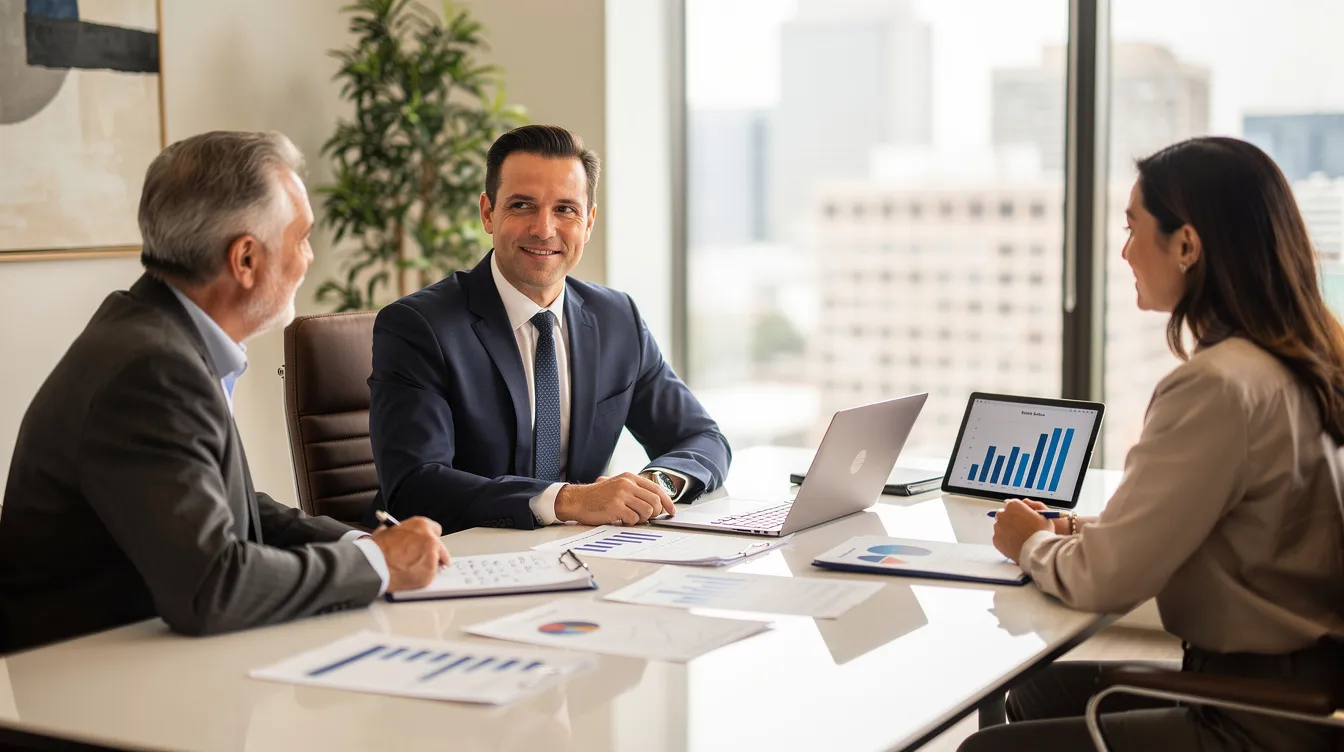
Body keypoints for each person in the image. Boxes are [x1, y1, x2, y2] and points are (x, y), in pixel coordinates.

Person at [960, 136, 1344, 751]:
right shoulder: (1309, 359)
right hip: (1302, 686)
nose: (1125, 249)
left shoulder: (1216, 386)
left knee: (988, 749)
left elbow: (1103, 583)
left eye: (1134, 227)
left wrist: (1027, 541)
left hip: (1253, 715)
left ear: (1187, 245)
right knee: (1036, 692)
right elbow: (1243, 523)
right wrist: (1088, 531)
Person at [0, 131, 450, 655]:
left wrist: (361, 545)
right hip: (92, 694)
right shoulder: (152, 369)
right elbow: (212, 587)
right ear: (245, 260)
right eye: (301, 238)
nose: (307, 258)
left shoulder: (153, 329)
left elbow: (228, 503)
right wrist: (378, 566)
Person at [369, 124, 730, 532]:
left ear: (588, 222)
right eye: (522, 205)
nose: (544, 229)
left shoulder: (616, 318)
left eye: (565, 209)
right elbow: (415, 486)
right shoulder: (419, 327)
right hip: (461, 564)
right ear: (488, 213)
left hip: (579, 560)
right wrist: (568, 500)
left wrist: (654, 484)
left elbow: (702, 439)